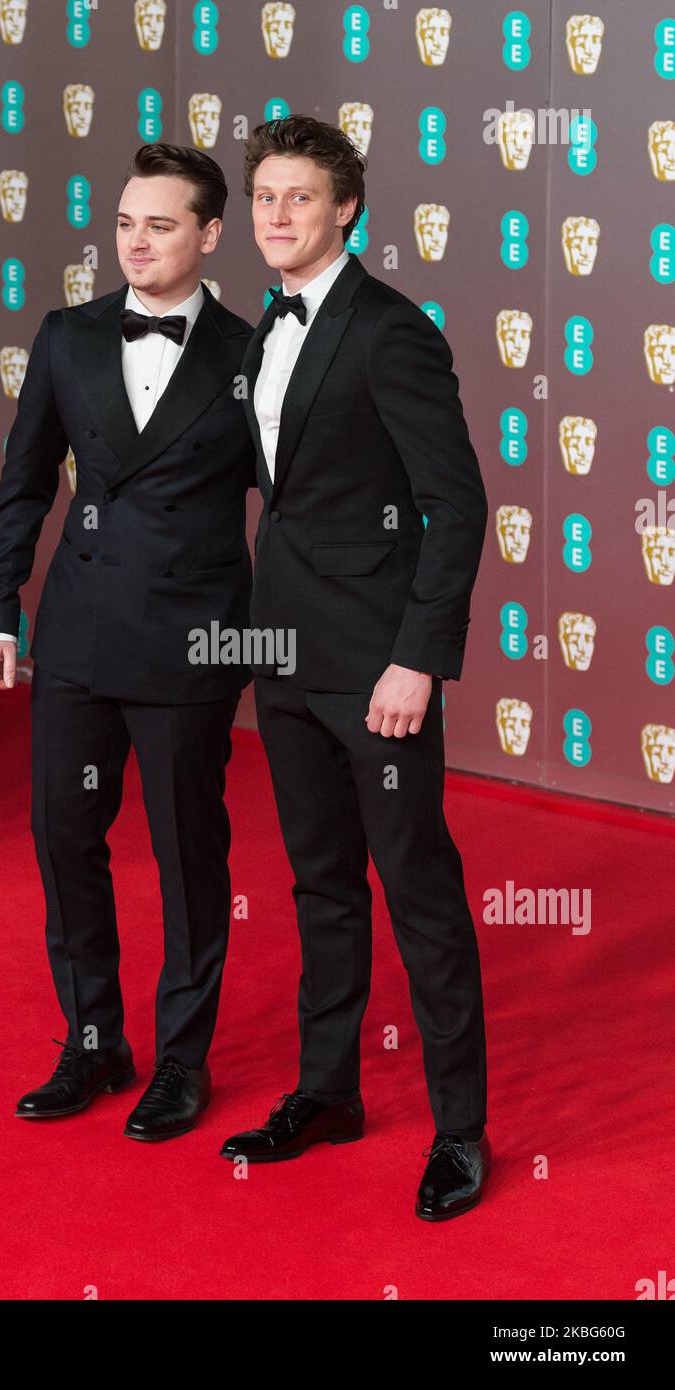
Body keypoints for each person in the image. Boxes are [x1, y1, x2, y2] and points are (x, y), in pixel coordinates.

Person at [219, 114, 491, 1221]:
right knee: (320, 885)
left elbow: (456, 503)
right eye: (264, 198)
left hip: (375, 669)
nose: (276, 217)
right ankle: (327, 1092)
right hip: (282, 658)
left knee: (418, 892)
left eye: (298, 198)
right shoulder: (260, 332)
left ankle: (462, 1132)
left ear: (346, 211)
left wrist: (415, 662)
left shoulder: (391, 332)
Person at [0, 143, 255, 1142]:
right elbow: (24, 480)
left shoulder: (250, 353)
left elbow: (302, 507)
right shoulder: (68, 336)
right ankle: (93, 1040)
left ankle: (181, 1059)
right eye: (126, 222)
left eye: (161, 224)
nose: (136, 241)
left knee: (186, 854)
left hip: (193, 643)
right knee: (65, 839)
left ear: (210, 235)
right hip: (79, 635)